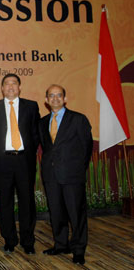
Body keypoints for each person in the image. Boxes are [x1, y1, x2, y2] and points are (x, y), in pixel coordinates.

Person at [39, 84, 92, 265]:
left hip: (72, 175)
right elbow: (47, 149)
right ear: (46, 100)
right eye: (51, 96)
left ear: (65, 98)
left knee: (76, 214)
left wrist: (78, 169)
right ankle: (61, 245)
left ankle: (78, 250)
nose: (55, 98)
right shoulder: (42, 122)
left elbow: (87, 148)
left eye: (59, 95)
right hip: (51, 175)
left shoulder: (78, 119)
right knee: (56, 212)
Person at [0, 73, 40, 254]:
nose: (10, 87)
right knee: (4, 202)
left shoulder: (31, 106)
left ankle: (28, 241)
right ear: (2, 88)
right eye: (7, 84)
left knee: (27, 202)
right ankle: (10, 240)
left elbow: (36, 133)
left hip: (24, 160)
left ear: (19, 87)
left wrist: (28, 151)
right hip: (3, 161)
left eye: (14, 83)